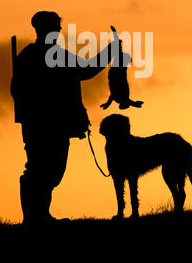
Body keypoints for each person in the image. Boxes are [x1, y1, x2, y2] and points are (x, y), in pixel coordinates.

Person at [10, 11, 116, 225]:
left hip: (41, 123)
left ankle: (39, 217)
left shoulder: (30, 55)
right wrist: (110, 51)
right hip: (47, 123)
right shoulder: (52, 55)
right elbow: (87, 69)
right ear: (47, 29)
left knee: (48, 170)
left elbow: (16, 90)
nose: (59, 30)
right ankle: (35, 218)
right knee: (43, 170)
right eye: (56, 26)